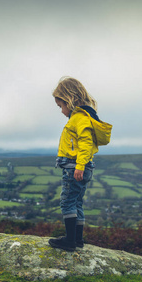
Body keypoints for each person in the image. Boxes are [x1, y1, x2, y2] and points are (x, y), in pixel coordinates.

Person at [48, 77, 112, 252]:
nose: (61, 111)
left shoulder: (79, 118)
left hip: (75, 167)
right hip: (81, 166)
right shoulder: (84, 117)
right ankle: (77, 239)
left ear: (69, 99)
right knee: (76, 202)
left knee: (67, 202)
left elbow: (85, 142)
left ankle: (70, 240)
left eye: (61, 106)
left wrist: (80, 165)